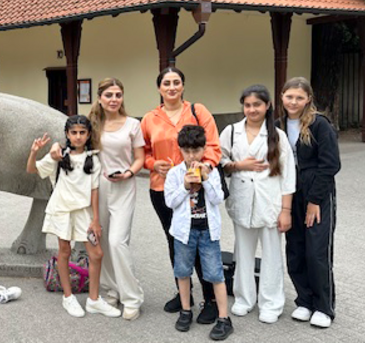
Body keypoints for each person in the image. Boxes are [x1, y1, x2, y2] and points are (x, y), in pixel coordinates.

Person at [51, 78, 146, 319]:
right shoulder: (94, 124)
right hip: (96, 187)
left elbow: (140, 158)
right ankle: (110, 289)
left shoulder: (133, 125)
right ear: (100, 98)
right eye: (109, 95)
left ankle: (132, 297)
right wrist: (54, 149)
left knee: (117, 241)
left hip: (124, 186)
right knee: (100, 242)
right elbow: (71, 142)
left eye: (118, 95)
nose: (114, 99)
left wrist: (129, 172)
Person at [141, 67, 222, 323]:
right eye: (167, 83)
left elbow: (213, 147)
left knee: (201, 242)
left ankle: (209, 299)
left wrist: (202, 173)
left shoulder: (198, 111)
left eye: (177, 82)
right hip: (163, 189)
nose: (172, 87)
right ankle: (183, 291)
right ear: (159, 88)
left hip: (199, 190)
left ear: (183, 86)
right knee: (175, 240)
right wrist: (153, 164)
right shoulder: (149, 118)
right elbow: (142, 152)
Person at [27, 115, 121, 319]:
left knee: (96, 254)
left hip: (84, 212)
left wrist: (96, 219)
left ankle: (94, 300)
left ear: (88, 135)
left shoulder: (94, 159)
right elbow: (32, 169)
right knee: (64, 250)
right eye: (74, 133)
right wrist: (34, 152)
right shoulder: (58, 155)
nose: (78, 137)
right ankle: (68, 297)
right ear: (67, 135)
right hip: (61, 210)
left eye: (82, 133)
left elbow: (95, 190)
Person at [219, 85, 296, 324]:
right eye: (248, 105)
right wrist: (239, 165)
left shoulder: (278, 136)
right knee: (242, 252)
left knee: (272, 255)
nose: (252, 109)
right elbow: (219, 160)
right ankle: (244, 298)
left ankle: (271, 302)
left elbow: (288, 176)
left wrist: (286, 211)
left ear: (268, 106)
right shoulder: (231, 131)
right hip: (242, 200)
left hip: (270, 203)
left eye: (257, 105)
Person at [277, 77, 341, 329]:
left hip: (317, 195)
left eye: (299, 97)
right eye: (289, 96)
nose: (293, 102)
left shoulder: (320, 125)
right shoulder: (277, 125)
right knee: (296, 249)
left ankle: (324, 306)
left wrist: (315, 200)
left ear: (308, 100)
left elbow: (331, 165)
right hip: (291, 194)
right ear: (282, 97)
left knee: (317, 251)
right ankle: (304, 300)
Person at [165, 125, 233, 340]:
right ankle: (186, 310)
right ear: (180, 150)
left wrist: (205, 179)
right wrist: (185, 186)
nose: (192, 155)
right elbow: (170, 202)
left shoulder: (211, 172)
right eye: (187, 151)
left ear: (204, 149)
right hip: (184, 232)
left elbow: (217, 199)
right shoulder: (175, 174)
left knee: (214, 273)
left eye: (196, 150)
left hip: (207, 232)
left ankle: (224, 318)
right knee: (183, 271)